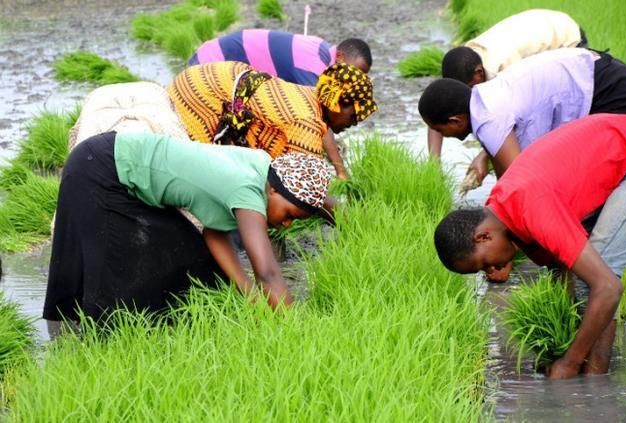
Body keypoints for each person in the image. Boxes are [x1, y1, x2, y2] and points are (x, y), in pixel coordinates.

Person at [43, 131, 331, 322]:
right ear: (274, 191)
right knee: (118, 269)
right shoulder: (246, 191)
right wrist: (294, 327)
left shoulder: (262, 167)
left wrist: (254, 299)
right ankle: (98, 340)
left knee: (194, 261)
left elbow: (215, 234)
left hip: (114, 167)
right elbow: (267, 272)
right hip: (101, 171)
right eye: (290, 213)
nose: (287, 223)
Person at [434, 113, 626, 379]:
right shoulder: (502, 209)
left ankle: (596, 380)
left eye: (485, 264)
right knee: (583, 279)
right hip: (621, 153)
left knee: (598, 279)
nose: (492, 270)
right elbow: (559, 267)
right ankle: (590, 373)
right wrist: (555, 342)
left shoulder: (531, 207)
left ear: (483, 237)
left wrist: (569, 362)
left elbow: (609, 288)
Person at [419, 47, 626, 184]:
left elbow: (519, 184)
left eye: (440, 130)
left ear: (456, 120)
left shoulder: (488, 119)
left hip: (606, 89)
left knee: (604, 178)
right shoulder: (483, 98)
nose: (442, 136)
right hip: (592, 72)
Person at [168, 61, 377, 180]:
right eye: (354, 115)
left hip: (209, 79)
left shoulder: (310, 96)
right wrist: (352, 220)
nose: (356, 122)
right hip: (199, 96)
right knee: (209, 177)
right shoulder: (306, 120)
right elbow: (305, 188)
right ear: (337, 103)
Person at [427, 9, 587, 158]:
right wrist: (434, 164)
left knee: (559, 124)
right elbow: (437, 112)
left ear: (479, 73)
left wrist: (484, 156)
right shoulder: (464, 63)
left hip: (565, 37)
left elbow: (510, 122)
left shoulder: (503, 70)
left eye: (470, 88)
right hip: (541, 24)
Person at [188, 29, 372, 86]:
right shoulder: (312, 66)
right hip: (210, 63)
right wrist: (339, 167)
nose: (354, 79)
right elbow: (313, 113)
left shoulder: (321, 48)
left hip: (226, 66)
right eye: (354, 72)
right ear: (339, 57)